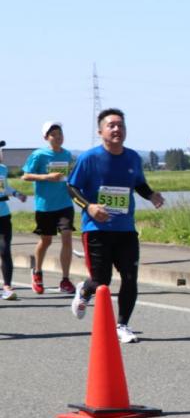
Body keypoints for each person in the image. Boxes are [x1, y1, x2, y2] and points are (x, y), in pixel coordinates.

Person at [67, 108, 165, 343]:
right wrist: (89, 206)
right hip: (96, 229)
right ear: (100, 131)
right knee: (101, 281)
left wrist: (151, 195)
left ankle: (122, 325)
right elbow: (72, 187)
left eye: (120, 125)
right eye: (111, 125)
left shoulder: (133, 158)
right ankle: (85, 290)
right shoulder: (89, 158)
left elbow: (139, 183)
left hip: (125, 228)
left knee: (130, 277)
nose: (116, 129)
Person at [21, 122, 76, 295]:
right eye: (53, 134)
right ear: (46, 137)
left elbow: (69, 176)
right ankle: (37, 272)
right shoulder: (38, 155)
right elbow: (25, 176)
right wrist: (46, 177)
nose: (58, 137)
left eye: (60, 133)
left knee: (67, 236)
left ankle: (65, 279)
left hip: (65, 204)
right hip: (45, 206)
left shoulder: (67, 154)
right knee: (46, 240)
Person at [0, 167, 26, 300]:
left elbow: (4, 188)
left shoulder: (2, 169)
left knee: (5, 250)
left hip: (3, 215)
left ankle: (7, 287)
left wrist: (16, 193)